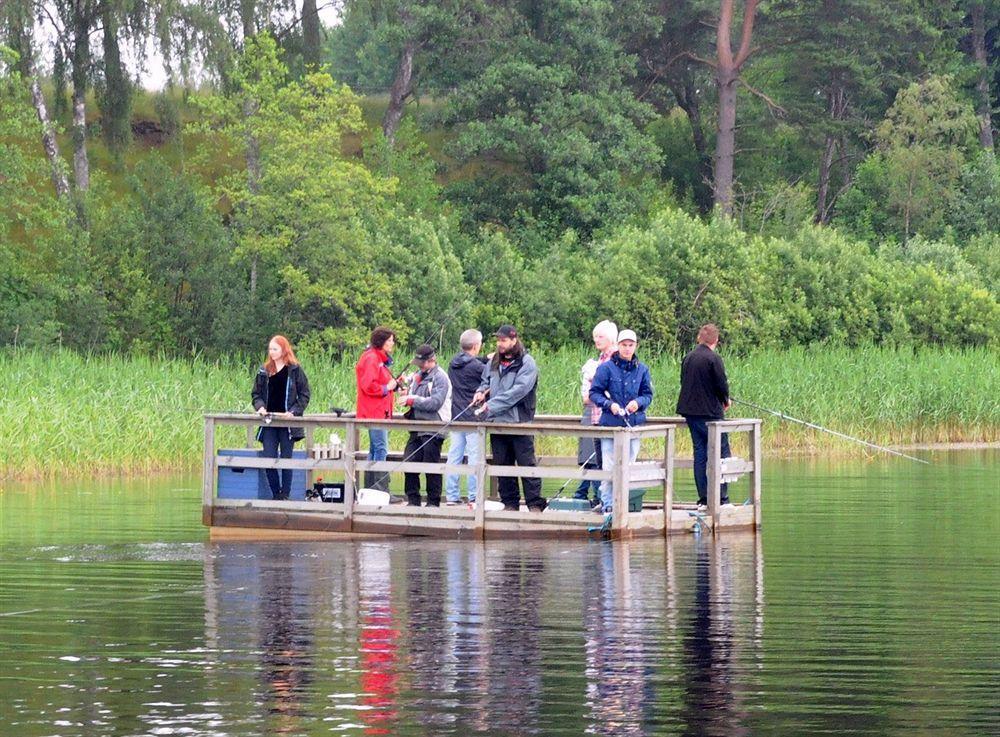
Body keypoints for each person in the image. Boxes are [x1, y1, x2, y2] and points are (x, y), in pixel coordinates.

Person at [472, 325, 547, 512]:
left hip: (519, 422)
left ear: (514, 340)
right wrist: (480, 393)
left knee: (526, 463)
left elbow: (519, 391)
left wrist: (491, 405)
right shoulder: (494, 361)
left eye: (503, 340)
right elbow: (485, 381)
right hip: (497, 423)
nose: (500, 344)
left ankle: (534, 504)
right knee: (502, 464)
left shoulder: (526, 362)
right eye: (498, 340)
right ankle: (510, 504)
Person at [589, 329, 654, 513]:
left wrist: (638, 403)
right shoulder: (606, 368)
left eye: (630, 345)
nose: (627, 349)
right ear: (618, 346)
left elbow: (647, 395)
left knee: (629, 466)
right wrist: (609, 405)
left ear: (635, 346)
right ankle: (609, 504)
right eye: (624, 345)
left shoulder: (642, 369)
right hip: (610, 424)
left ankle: (624, 501)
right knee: (609, 466)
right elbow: (594, 392)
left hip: (633, 424)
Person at [676, 323, 732, 509]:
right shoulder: (713, 358)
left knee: (700, 453)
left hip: (690, 413)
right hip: (711, 414)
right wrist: (725, 399)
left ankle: (704, 499)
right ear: (716, 340)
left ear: (699, 338)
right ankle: (722, 499)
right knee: (721, 453)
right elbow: (721, 385)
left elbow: (684, 381)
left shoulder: (688, 357)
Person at [251, 335, 311, 500]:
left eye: (275, 349)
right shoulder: (264, 371)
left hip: (288, 423)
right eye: (270, 349)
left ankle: (285, 494)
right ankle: (276, 493)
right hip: (269, 422)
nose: (272, 352)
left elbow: (304, 394)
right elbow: (256, 394)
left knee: (286, 459)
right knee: (269, 457)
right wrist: (261, 408)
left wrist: (293, 412)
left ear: (284, 350)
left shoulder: (295, 370)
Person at [398, 344, 452, 507]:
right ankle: (413, 500)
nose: (419, 366)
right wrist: (405, 392)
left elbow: (435, 403)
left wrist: (411, 400)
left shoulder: (440, 377)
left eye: (422, 363)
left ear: (431, 360)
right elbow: (414, 393)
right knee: (409, 461)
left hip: (434, 427)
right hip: (416, 427)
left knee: (431, 466)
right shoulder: (418, 375)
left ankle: (433, 502)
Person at [573, 320, 617, 506]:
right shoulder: (596, 362)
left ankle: (607, 501)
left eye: (600, 336)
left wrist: (596, 392)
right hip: (595, 417)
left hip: (611, 419)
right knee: (596, 461)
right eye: (595, 337)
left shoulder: (616, 362)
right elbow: (587, 396)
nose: (596, 340)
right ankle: (600, 499)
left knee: (608, 462)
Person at [445, 329, 488, 505]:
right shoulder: (478, 367)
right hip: (473, 418)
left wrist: (484, 358)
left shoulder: (452, 364)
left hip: (456, 416)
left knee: (454, 456)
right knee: (475, 458)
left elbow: (471, 362)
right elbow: (488, 376)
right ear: (477, 346)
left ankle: (451, 496)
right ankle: (473, 496)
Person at [356, 326, 399, 491]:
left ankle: (372, 489)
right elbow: (368, 385)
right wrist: (387, 387)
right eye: (389, 340)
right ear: (381, 341)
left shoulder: (378, 359)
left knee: (375, 449)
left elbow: (382, 382)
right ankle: (379, 490)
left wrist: (394, 385)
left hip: (379, 411)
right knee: (380, 449)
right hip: (374, 412)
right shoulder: (372, 358)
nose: (392, 343)